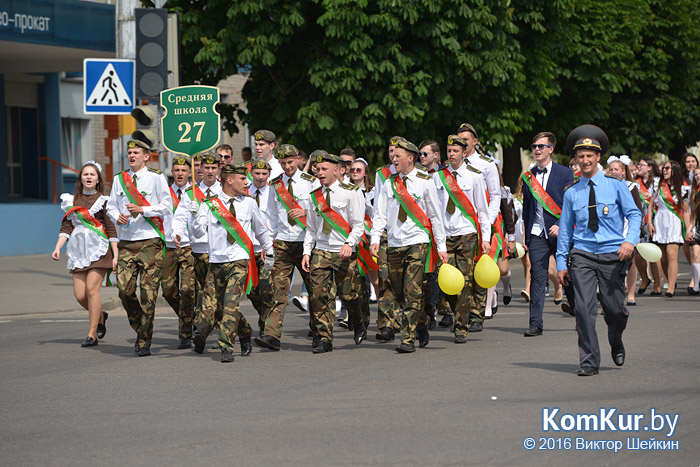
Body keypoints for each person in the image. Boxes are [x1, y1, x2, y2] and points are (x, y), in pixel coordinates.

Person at [556, 124, 642, 376]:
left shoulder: (615, 184)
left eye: (589, 156)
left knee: (615, 309)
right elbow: (565, 231)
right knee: (583, 309)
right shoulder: (571, 192)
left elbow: (634, 214)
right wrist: (562, 262)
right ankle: (589, 361)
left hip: (613, 253)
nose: (584, 160)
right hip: (582, 254)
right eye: (580, 156)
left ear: (598, 157)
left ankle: (616, 338)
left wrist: (630, 241)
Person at [370, 139, 449, 353]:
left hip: (417, 241)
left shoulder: (425, 181)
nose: (394, 159)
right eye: (393, 155)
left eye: (398, 156)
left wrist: (441, 246)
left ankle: (407, 339)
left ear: (410, 158)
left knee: (412, 290)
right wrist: (375, 239)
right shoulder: (389, 183)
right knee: (399, 293)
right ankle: (421, 322)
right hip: (395, 243)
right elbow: (380, 215)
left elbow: (435, 215)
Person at [191, 164, 273, 362]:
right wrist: (194, 217)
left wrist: (269, 252)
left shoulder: (249, 203)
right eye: (243, 179)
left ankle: (226, 346)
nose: (247, 183)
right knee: (213, 306)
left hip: (239, 260)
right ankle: (244, 332)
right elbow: (198, 233)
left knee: (230, 304)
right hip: (216, 261)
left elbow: (260, 230)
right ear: (229, 180)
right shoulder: (209, 204)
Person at [107, 139, 171, 356]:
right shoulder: (119, 179)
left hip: (150, 241)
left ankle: (144, 340)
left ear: (147, 156)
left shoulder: (157, 177)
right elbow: (111, 206)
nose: (132, 156)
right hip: (127, 241)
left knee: (149, 294)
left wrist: (142, 209)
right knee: (124, 290)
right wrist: (118, 217)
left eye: (136, 152)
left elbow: (166, 206)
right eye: (130, 152)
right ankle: (141, 327)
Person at [256, 144, 320, 351]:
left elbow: (322, 211)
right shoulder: (275, 184)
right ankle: (272, 335)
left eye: (290, 162)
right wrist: (268, 243)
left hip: (306, 241)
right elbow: (272, 218)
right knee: (278, 290)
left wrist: (305, 213)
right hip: (283, 242)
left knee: (314, 288)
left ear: (299, 160)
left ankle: (319, 329)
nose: (287, 166)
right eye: (283, 163)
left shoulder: (312, 182)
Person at [301, 152, 366, 352]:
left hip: (343, 251)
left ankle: (358, 322)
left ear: (337, 171)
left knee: (349, 295)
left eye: (324, 170)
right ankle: (324, 338)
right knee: (320, 296)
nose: (320, 173)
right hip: (321, 250)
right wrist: (306, 252)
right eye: (317, 169)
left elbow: (358, 225)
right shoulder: (314, 196)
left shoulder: (351, 192)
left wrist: (349, 243)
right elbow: (311, 228)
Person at [52, 161, 118, 347]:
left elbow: (111, 229)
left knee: (91, 290)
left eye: (92, 174)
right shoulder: (72, 201)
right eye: (85, 174)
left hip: (99, 249)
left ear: (98, 180)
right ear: (81, 178)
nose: (89, 177)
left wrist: (115, 254)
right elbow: (66, 227)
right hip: (78, 250)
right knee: (80, 295)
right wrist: (58, 247)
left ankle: (92, 334)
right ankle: (100, 317)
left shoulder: (104, 200)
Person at [433, 135, 490, 343]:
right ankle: (459, 312)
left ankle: (461, 327)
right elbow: (434, 211)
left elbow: (482, 210)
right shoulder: (438, 177)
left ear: (464, 153)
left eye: (455, 151)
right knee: (444, 283)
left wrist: (486, 237)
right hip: (445, 235)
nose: (451, 154)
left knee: (465, 281)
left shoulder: (475, 176)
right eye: (449, 151)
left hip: (467, 233)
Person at [521, 132, 575, 336]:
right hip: (537, 233)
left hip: (561, 232)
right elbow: (527, 209)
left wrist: (561, 224)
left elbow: (571, 205)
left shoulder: (565, 173)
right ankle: (535, 323)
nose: (537, 149)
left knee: (567, 273)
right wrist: (526, 237)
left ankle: (577, 309)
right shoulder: (529, 176)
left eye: (541, 146)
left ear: (550, 149)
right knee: (537, 276)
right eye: (534, 146)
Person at [173, 152, 222, 329]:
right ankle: (195, 330)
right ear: (200, 168)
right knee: (195, 291)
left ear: (219, 169)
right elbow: (179, 217)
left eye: (213, 168)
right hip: (198, 250)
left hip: (218, 251)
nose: (209, 171)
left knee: (212, 293)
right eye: (206, 167)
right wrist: (177, 232)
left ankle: (209, 330)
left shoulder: (224, 192)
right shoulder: (191, 193)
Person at [162, 155, 195, 349]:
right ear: (172, 172)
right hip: (168, 246)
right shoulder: (165, 193)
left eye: (183, 170)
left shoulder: (195, 193)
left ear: (189, 172)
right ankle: (190, 316)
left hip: (189, 246)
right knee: (168, 290)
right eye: (177, 170)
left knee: (187, 289)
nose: (180, 173)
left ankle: (185, 333)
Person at [648, 160, 691, 297]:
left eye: (667, 168)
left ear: (674, 170)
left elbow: (685, 211)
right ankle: (670, 279)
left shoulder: (683, 188)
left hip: (674, 222)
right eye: (664, 168)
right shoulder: (657, 185)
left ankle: (671, 287)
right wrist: (649, 223)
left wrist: (688, 229)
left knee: (672, 255)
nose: (664, 170)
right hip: (660, 221)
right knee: (662, 258)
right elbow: (650, 206)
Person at [606, 155, 644, 306]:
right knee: (610, 262)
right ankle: (612, 294)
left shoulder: (631, 187)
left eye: (617, 169)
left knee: (631, 261)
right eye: (611, 169)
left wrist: (637, 233)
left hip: (628, 228)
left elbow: (638, 211)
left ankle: (630, 294)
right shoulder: (604, 186)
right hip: (612, 227)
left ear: (623, 171)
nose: (614, 172)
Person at [246, 158, 275, 335]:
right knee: (251, 291)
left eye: (264, 174)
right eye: (257, 173)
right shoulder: (243, 191)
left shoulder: (273, 193)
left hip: (266, 247)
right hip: (247, 248)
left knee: (266, 288)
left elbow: (275, 220)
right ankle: (263, 316)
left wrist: (269, 243)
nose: (261, 177)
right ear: (251, 173)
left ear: (269, 175)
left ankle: (266, 326)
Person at [349, 158, 379, 326]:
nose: (354, 172)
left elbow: (376, 215)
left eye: (358, 170)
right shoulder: (346, 190)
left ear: (366, 173)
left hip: (368, 237)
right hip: (353, 237)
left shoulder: (373, 192)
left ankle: (384, 314)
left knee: (375, 279)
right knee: (356, 279)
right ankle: (358, 317)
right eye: (352, 169)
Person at [634, 157, 662, 295]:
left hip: (654, 219)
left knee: (654, 253)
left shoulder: (657, 182)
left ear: (650, 167)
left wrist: (652, 197)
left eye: (641, 164)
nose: (638, 166)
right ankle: (645, 278)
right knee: (638, 253)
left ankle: (657, 284)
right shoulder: (636, 182)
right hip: (640, 220)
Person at [686, 167, 700, 295]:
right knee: (695, 254)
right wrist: (688, 230)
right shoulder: (695, 193)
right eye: (696, 174)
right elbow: (693, 216)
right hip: (698, 230)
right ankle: (696, 285)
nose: (698, 176)